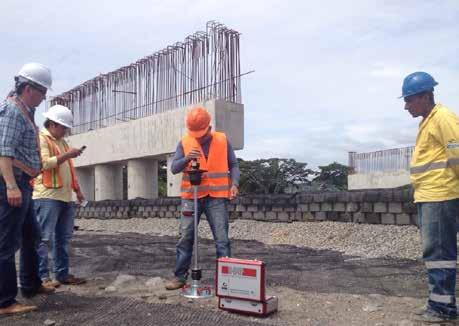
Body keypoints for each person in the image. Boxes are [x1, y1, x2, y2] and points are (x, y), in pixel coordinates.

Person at [401, 71, 459, 322]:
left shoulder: (443, 118)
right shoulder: (428, 121)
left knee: (439, 252)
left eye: (410, 99)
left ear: (425, 96)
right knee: (435, 252)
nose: (406, 105)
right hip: (430, 195)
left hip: (441, 194)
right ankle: (439, 304)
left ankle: (442, 309)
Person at [0, 63, 56, 315]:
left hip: (23, 183)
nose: (44, 97)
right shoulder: (11, 111)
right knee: (6, 242)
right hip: (10, 184)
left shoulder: (24, 110)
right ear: (28, 88)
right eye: (42, 91)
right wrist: (11, 186)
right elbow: (4, 151)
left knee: (31, 235)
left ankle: (31, 285)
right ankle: (5, 301)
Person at [165, 107, 240, 290]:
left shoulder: (222, 140)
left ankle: (226, 280)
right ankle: (180, 276)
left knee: (222, 239)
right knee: (185, 237)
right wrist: (186, 159)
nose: (198, 137)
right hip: (192, 197)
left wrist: (234, 184)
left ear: (209, 127)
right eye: (195, 133)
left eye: (201, 133)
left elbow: (234, 165)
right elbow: (174, 168)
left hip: (216, 197)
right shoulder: (184, 142)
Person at [33, 104, 86, 287]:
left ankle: (62, 274)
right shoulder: (41, 139)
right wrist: (67, 154)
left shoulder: (62, 143)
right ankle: (42, 277)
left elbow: (69, 169)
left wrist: (77, 190)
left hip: (64, 197)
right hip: (47, 196)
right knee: (44, 238)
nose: (65, 131)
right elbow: (45, 164)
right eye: (64, 127)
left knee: (62, 239)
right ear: (53, 124)